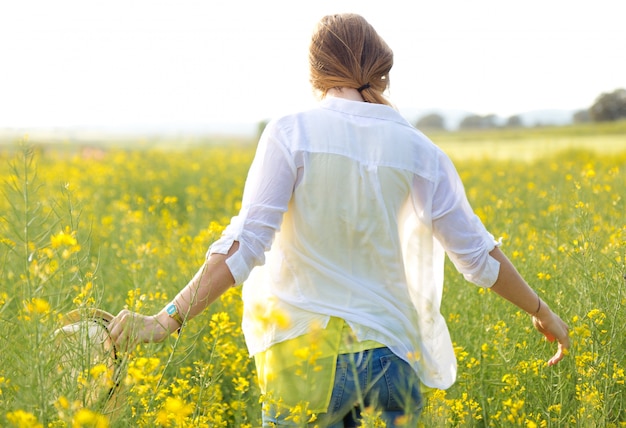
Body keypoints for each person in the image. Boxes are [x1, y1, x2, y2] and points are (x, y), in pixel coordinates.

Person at [108, 13, 570, 427]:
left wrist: (164, 320)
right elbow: (477, 255)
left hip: (302, 360)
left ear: (316, 73)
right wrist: (541, 311)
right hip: (392, 360)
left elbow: (245, 244)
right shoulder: (419, 149)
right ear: (382, 72)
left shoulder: (292, 133)